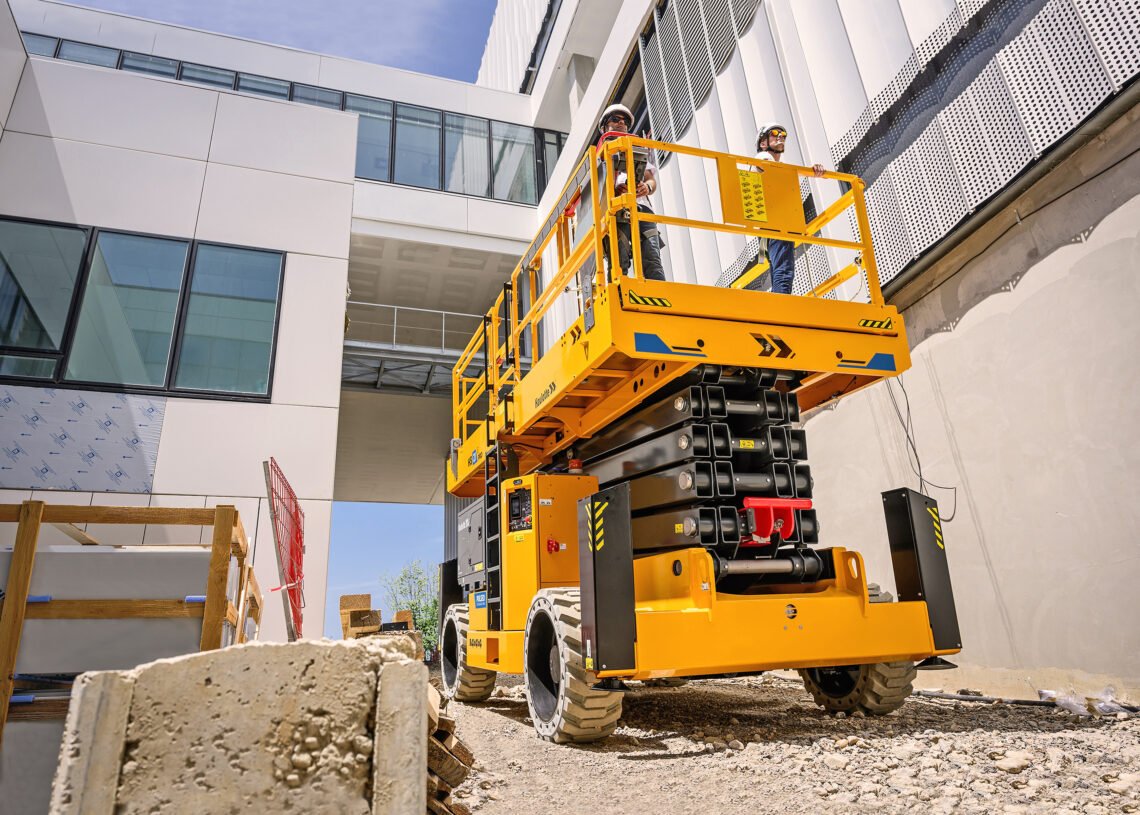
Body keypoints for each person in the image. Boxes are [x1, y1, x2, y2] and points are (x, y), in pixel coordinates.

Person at [749, 122, 826, 295]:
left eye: (783, 135)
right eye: (775, 133)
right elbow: (770, 166)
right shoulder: (762, 157)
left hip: (772, 223)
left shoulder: (780, 165)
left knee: (780, 268)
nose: (780, 137)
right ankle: (781, 305)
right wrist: (810, 171)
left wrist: (811, 171)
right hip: (775, 222)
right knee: (783, 270)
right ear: (763, 142)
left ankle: (779, 303)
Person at [598, 103, 665, 281]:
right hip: (616, 211)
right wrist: (615, 190)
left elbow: (651, 178)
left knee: (651, 256)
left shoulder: (634, 148)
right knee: (619, 258)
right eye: (615, 119)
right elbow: (599, 190)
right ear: (605, 126)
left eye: (625, 121)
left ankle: (658, 293)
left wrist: (647, 187)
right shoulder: (598, 157)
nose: (621, 123)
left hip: (641, 210)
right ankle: (620, 295)